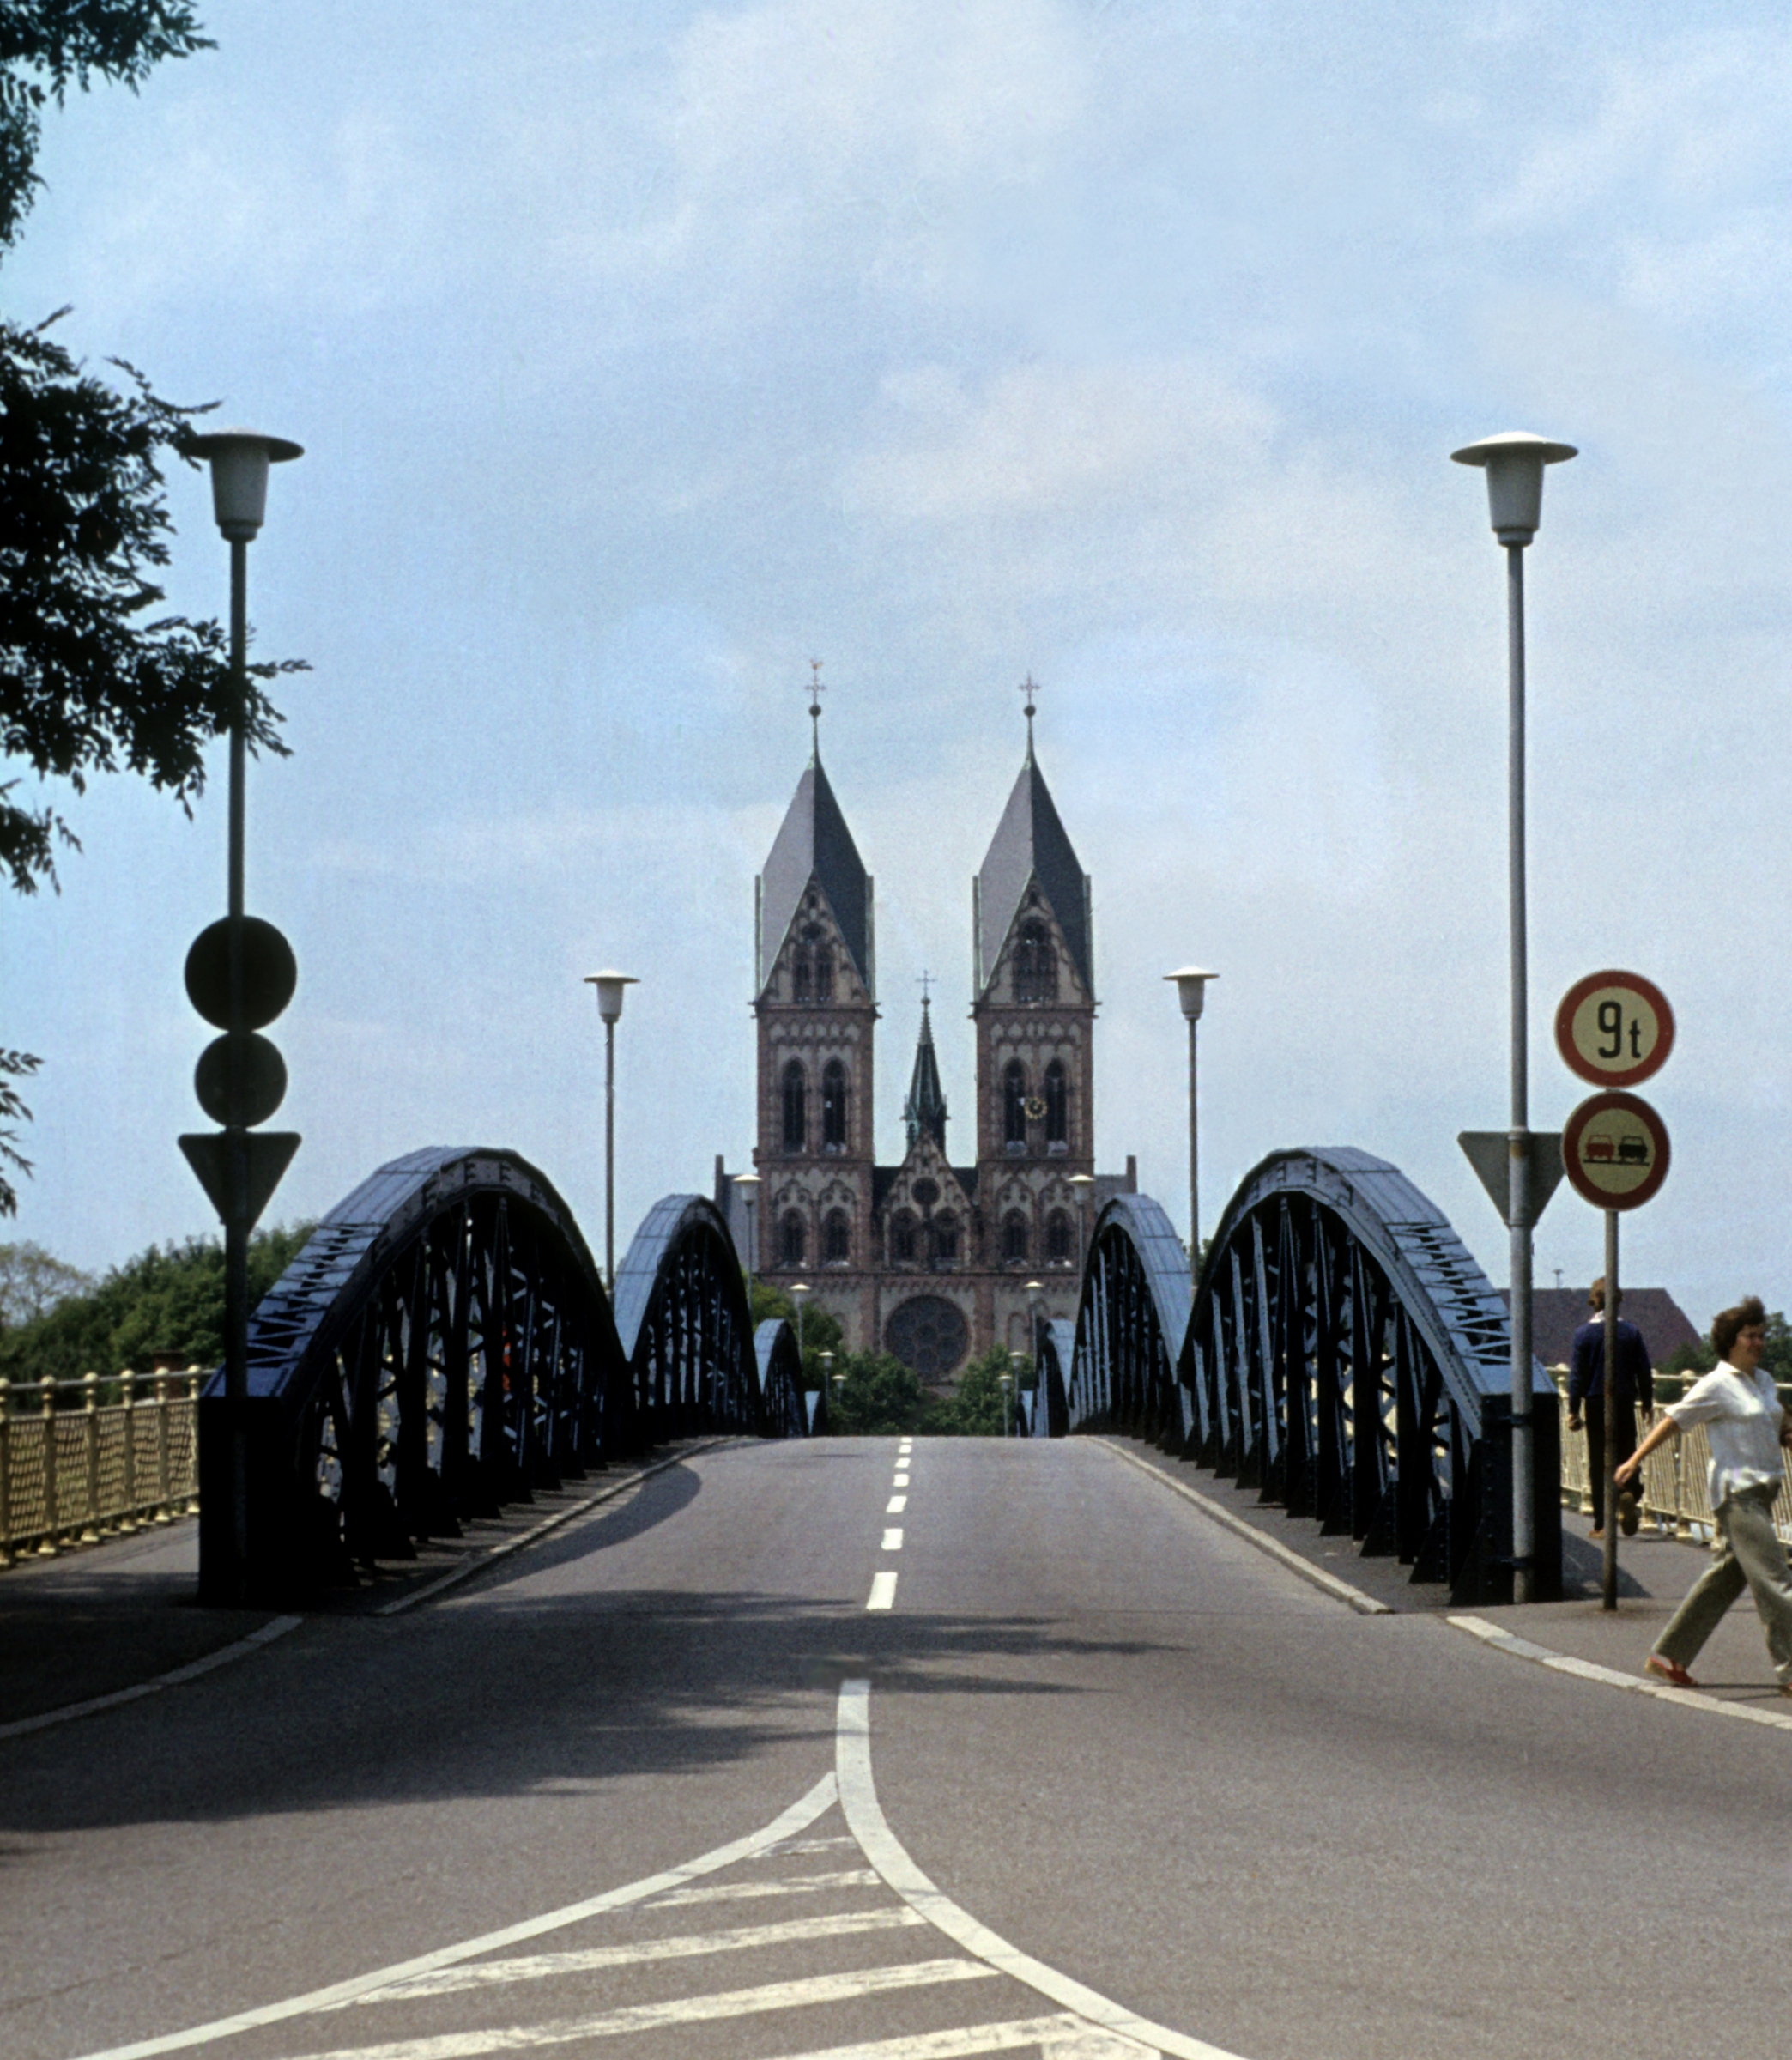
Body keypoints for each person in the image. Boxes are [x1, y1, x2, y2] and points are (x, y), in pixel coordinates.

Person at [1616, 1297, 1792, 1693]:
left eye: (1762, 1335)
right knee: (1776, 1581)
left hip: (1765, 1491)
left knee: (1724, 1578)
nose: (1759, 1342)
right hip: (1737, 1494)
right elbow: (1674, 1420)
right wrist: (1634, 1461)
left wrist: (1786, 1435)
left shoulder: (1763, 1381)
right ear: (1731, 1340)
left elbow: (1773, 1422)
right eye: (1751, 1336)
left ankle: (1669, 1656)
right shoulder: (1716, 1384)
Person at [1565, 1278, 1653, 1540]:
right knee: (1628, 1454)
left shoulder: (1582, 1335)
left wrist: (1573, 1410)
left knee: (1597, 1461)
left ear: (1594, 1302)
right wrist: (1647, 1401)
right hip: (1624, 1400)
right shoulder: (1630, 1332)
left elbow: (1577, 1377)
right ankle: (1630, 1492)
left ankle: (1602, 1523)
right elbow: (1644, 1372)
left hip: (1594, 1402)